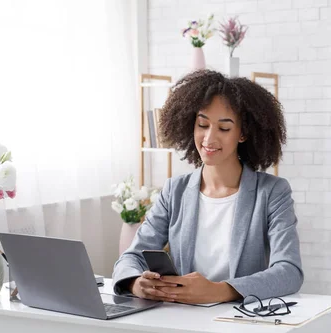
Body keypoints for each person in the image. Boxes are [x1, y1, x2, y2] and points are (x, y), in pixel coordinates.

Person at [112, 70, 303, 304]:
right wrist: (135, 283)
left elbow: (289, 271)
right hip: (182, 319)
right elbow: (131, 257)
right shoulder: (175, 190)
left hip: (239, 321)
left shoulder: (272, 192)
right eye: (202, 124)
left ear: (242, 134)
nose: (209, 138)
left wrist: (220, 290)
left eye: (224, 128)